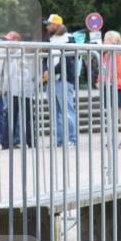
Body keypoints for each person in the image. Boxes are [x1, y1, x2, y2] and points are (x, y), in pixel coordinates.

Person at [43, 14, 78, 147]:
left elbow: (68, 61)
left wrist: (51, 71)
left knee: (67, 110)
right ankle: (59, 140)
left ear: (56, 25)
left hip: (63, 79)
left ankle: (71, 139)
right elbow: (46, 58)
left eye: (49, 24)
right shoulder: (51, 39)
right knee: (55, 112)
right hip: (52, 79)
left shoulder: (68, 38)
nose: (47, 27)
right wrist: (46, 70)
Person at [1, 31, 37, 149]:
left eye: (9, 40)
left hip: (25, 90)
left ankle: (31, 142)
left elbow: (32, 72)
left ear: (16, 41)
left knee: (27, 117)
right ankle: (6, 143)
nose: (7, 43)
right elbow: (6, 73)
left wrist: (32, 86)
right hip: (13, 90)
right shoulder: (8, 55)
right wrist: (4, 88)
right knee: (11, 117)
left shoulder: (24, 54)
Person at [101, 30, 121, 147]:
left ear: (113, 41)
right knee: (112, 113)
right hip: (110, 85)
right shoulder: (108, 54)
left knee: (120, 113)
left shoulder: (118, 53)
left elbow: (117, 70)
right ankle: (113, 138)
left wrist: (106, 80)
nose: (103, 42)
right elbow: (104, 69)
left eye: (105, 39)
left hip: (116, 85)